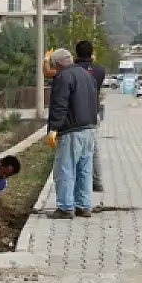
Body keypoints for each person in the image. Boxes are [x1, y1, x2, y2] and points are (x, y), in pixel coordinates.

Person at [45, 48, 99, 219]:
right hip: (89, 129)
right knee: (84, 169)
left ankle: (66, 207)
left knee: (65, 169)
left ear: (58, 64)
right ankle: (83, 206)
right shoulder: (86, 75)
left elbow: (60, 104)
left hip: (71, 131)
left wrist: (53, 128)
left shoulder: (64, 77)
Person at [74, 40, 106, 193]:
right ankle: (97, 181)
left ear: (76, 53)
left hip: (76, 115)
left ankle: (78, 182)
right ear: (92, 54)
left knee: (74, 150)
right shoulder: (100, 70)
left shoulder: (73, 70)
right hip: (94, 113)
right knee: (93, 149)